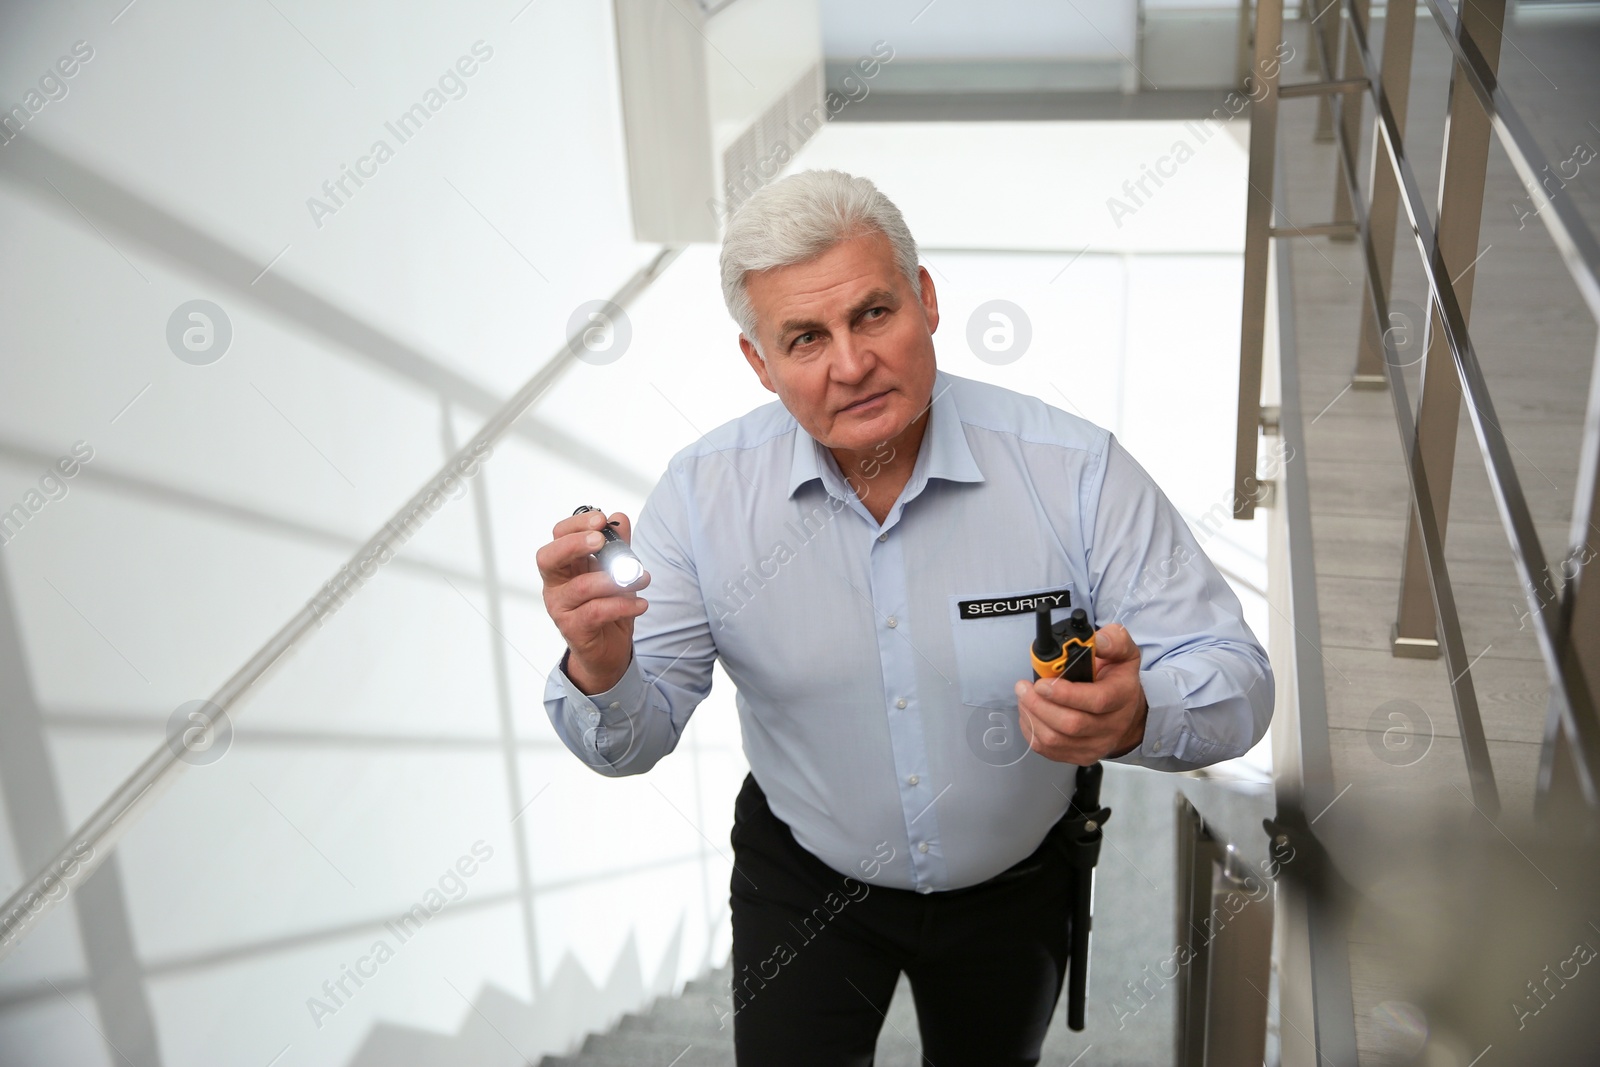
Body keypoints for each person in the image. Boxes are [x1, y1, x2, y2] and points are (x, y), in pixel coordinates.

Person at [538, 169, 1272, 1066]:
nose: (849, 364)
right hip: (802, 887)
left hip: (1018, 887)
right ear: (759, 363)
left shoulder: (1074, 472)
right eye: (805, 338)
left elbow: (1237, 677)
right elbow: (631, 742)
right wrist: (605, 670)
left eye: (873, 314)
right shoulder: (701, 499)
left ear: (925, 301)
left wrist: (1143, 710)